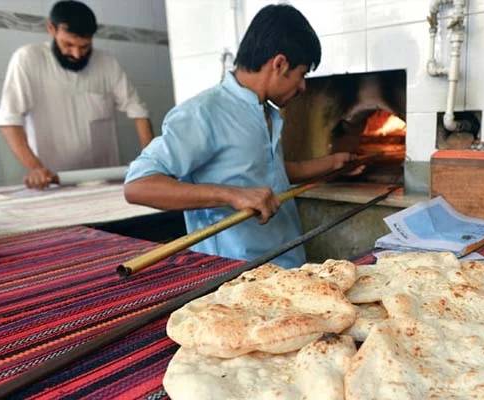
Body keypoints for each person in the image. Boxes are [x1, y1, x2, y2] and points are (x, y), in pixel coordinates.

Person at [124, 4, 362, 268]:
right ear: (279, 64)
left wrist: (333, 164)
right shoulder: (203, 113)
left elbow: (270, 173)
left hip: (287, 263)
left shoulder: (266, 113)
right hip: (234, 275)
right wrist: (231, 195)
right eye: (302, 74)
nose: (303, 86)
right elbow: (138, 186)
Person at [0, 0, 154, 190]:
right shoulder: (28, 59)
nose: (77, 54)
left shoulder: (107, 63)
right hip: (53, 182)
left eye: (85, 46)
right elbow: (9, 121)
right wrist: (36, 168)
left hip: (107, 182)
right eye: (68, 44)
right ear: (51, 29)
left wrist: (151, 163)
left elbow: (139, 113)